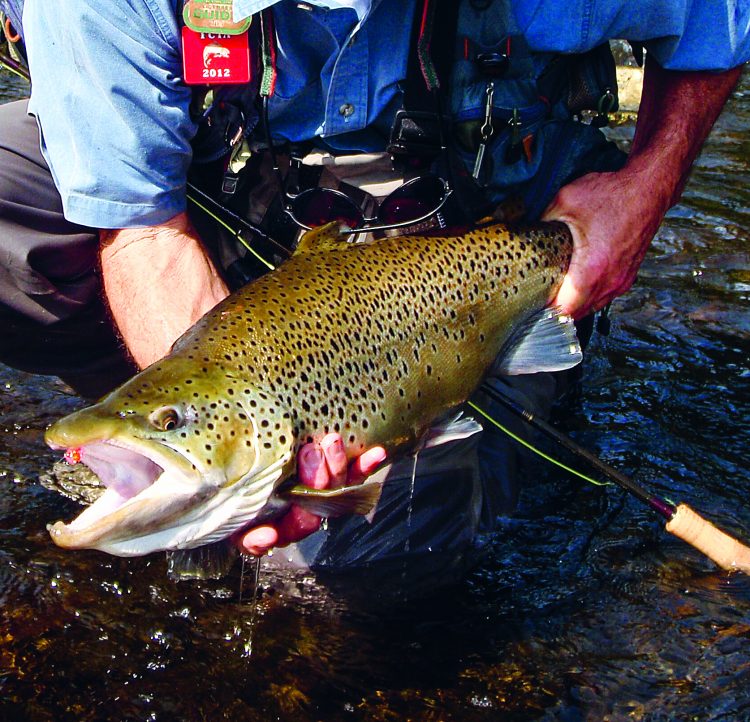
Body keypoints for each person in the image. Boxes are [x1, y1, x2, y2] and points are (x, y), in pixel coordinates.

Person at [0, 1, 747, 588]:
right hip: (237, 250)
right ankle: (155, 430)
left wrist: (645, 188)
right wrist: (195, 393)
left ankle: (491, 406)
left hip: (493, 258)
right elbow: (144, 231)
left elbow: (718, 19)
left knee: (360, 577)